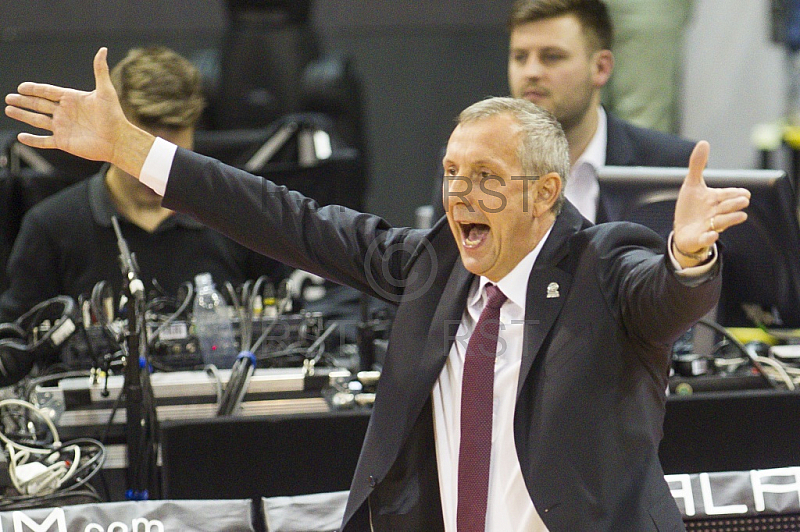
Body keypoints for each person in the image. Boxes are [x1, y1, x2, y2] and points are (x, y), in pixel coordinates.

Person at [5, 48, 750, 531]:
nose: (461, 196)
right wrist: (131, 147)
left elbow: (665, 300)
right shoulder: (434, 266)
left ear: (544, 194)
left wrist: (687, 255)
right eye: (453, 174)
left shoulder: (602, 262)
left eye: (487, 179)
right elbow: (285, 219)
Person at [0, 46, 287, 323]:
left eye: (172, 155)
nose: (156, 171)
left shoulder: (239, 217)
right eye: (143, 153)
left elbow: (287, 324)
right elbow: (16, 345)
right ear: (109, 130)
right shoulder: (49, 228)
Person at [431, 0, 697, 225]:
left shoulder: (668, 164)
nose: (531, 72)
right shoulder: (467, 163)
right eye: (520, 57)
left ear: (601, 68)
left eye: (552, 56)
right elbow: (450, 278)